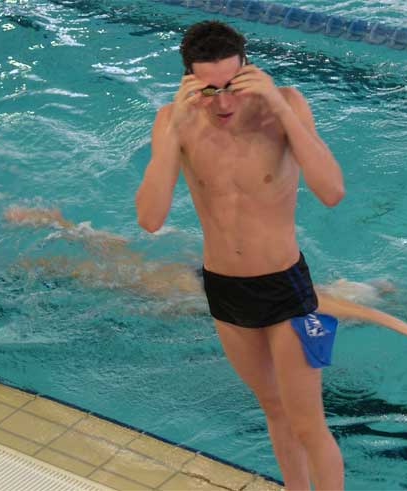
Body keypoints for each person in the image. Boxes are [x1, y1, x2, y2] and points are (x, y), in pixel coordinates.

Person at [133, 20, 351, 490]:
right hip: (225, 290)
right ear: (188, 81)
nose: (223, 103)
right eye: (209, 91)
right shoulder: (173, 121)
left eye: (232, 85)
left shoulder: (285, 105)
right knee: (274, 410)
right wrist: (174, 131)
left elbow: (332, 191)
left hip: (284, 287)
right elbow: (149, 218)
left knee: (308, 423)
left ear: (249, 69)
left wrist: (280, 106)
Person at [2, 206, 407, 350]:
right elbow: (371, 311)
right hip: (200, 290)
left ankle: (61, 224)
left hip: (221, 277)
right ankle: (48, 247)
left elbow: (384, 292)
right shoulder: (315, 302)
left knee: (123, 263)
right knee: (112, 278)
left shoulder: (310, 287)